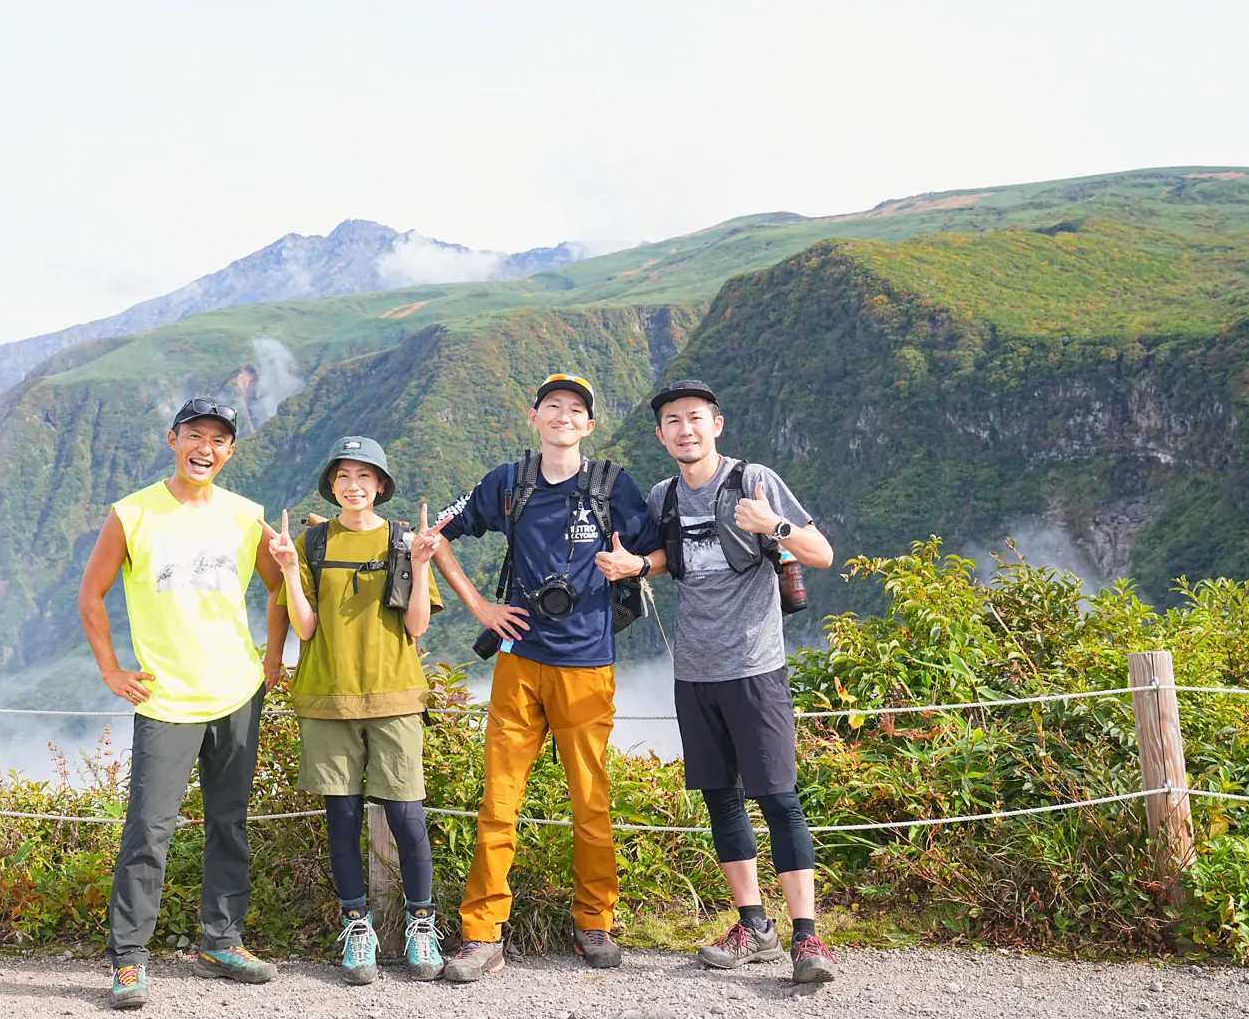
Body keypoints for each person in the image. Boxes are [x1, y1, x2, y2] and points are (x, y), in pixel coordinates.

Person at [415, 373, 661, 983]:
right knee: (499, 801)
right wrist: (479, 607)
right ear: (534, 417)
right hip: (519, 660)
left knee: (592, 801)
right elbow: (433, 535)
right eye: (553, 406)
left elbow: (661, 552)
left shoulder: (611, 485)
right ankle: (481, 933)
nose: (563, 416)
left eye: (575, 410)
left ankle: (594, 922)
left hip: (587, 662)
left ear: (589, 425)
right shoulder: (509, 481)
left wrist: (632, 564)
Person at [598, 378, 840, 984]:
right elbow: (667, 557)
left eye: (695, 418)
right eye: (673, 421)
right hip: (694, 671)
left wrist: (774, 525)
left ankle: (806, 939)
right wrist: (636, 565)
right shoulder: (663, 496)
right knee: (721, 798)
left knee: (779, 798)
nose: (685, 429)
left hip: (755, 668)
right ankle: (753, 923)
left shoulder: (753, 480)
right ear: (660, 435)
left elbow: (821, 553)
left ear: (717, 424)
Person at [77, 397, 287, 1010]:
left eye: (219, 441)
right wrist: (111, 670)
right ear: (173, 439)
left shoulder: (246, 516)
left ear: (230, 452)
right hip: (166, 697)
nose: (206, 448)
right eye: (195, 436)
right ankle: (128, 960)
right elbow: (91, 596)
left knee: (230, 823)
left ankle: (222, 942)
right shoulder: (132, 513)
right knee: (147, 828)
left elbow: (280, 589)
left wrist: (271, 659)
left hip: (236, 693)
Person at [264, 436, 447, 984]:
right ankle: (357, 927)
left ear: (381, 486)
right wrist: (291, 571)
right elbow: (305, 627)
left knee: (407, 818)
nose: (354, 486)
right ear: (332, 485)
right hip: (328, 695)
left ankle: (421, 925)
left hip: (394, 697)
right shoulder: (312, 542)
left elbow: (417, 626)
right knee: (341, 819)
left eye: (365, 477)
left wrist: (418, 565)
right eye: (344, 476)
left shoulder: (403, 541)